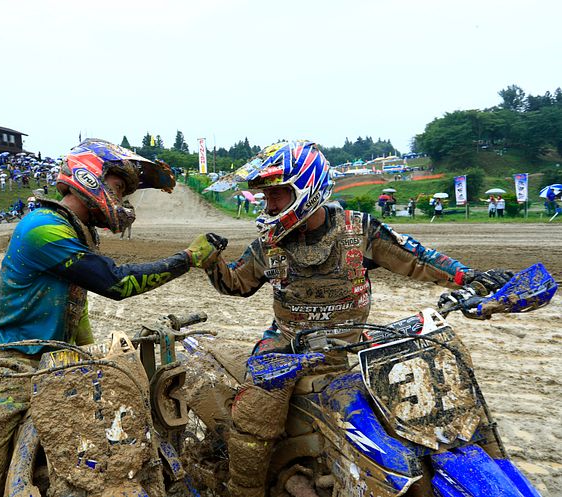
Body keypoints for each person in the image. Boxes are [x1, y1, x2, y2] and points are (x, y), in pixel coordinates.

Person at [197, 141, 514, 497]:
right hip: (286, 343)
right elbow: (237, 284)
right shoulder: (268, 243)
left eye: (277, 195)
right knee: (256, 411)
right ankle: (244, 490)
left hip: (353, 343)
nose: (269, 205)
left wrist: (467, 277)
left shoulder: (358, 230)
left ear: (307, 186)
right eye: (266, 196)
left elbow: (416, 257)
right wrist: (212, 262)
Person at [0, 139, 221, 497]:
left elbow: (74, 307)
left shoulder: (78, 230)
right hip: (16, 362)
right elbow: (116, 282)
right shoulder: (43, 228)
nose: (122, 200)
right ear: (90, 177)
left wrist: (88, 354)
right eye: (117, 188)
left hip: (61, 361)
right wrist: (186, 259)